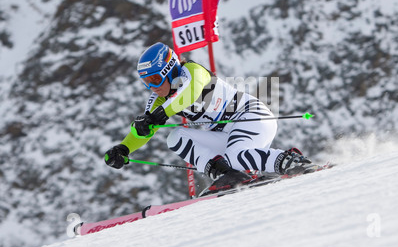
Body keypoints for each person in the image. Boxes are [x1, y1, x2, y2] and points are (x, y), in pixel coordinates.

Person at [104, 42, 315, 189]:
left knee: (236, 155)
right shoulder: (158, 100)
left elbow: (189, 94)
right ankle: (228, 174)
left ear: (169, 69)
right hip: (226, 133)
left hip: (251, 117)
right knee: (175, 137)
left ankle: (292, 161)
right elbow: (144, 129)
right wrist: (124, 148)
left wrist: (160, 114)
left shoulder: (193, 71)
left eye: (155, 79)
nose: (152, 87)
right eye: (146, 82)